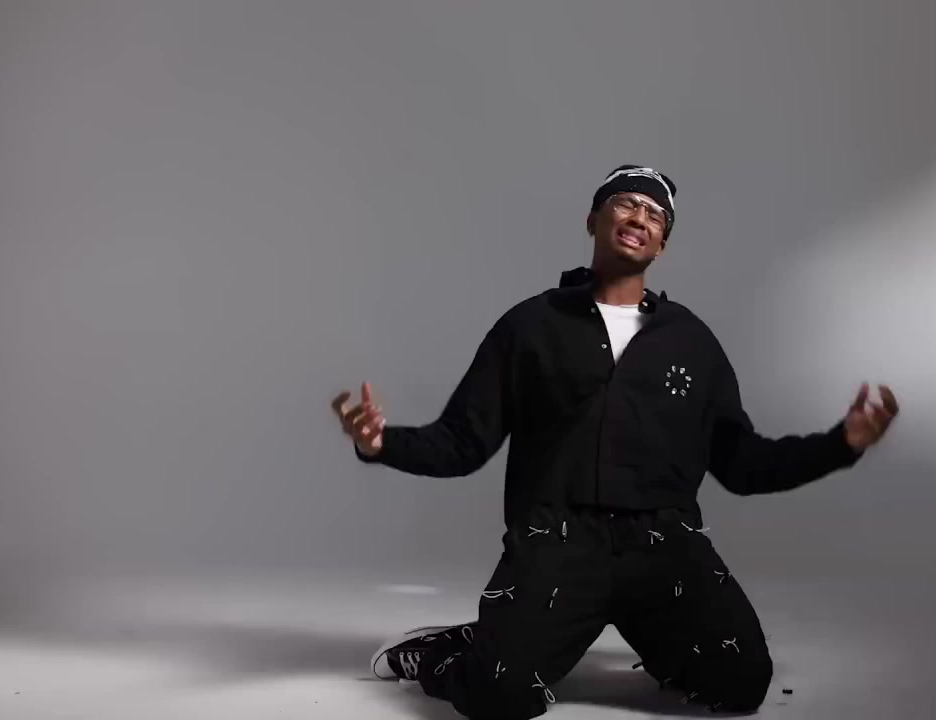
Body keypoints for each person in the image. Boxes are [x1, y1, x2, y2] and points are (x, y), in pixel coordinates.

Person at [332, 165, 899, 718]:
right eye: (626, 203)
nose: (639, 218)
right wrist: (382, 443)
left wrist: (840, 443)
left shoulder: (691, 341)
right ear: (593, 220)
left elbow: (743, 463)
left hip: (663, 546)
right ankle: (451, 652)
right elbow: (463, 442)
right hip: (557, 544)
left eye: (655, 215)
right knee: (500, 696)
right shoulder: (530, 326)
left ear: (662, 245)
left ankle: (637, 640)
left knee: (742, 682)